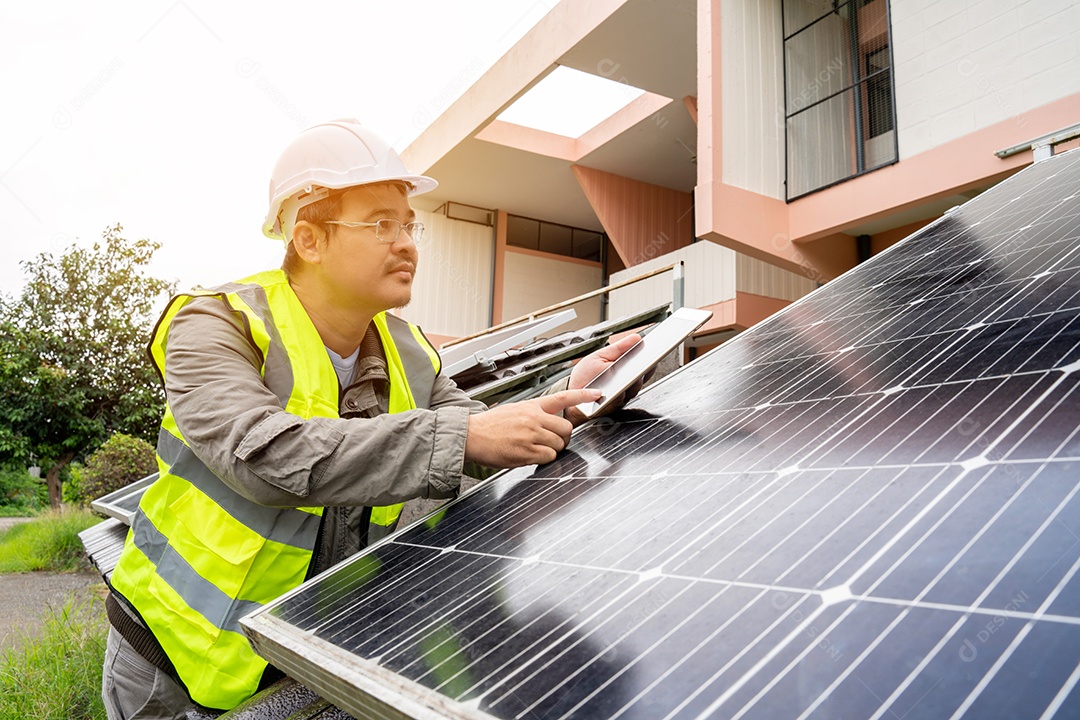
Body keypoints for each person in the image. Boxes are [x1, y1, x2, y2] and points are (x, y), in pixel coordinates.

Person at [101, 119, 641, 719]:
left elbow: (477, 443)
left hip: (302, 655)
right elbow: (261, 456)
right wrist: (466, 436)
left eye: (410, 225)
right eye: (381, 224)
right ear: (309, 240)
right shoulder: (216, 324)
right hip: (172, 658)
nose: (408, 242)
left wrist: (563, 396)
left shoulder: (410, 350)